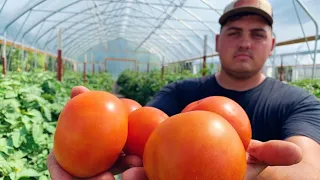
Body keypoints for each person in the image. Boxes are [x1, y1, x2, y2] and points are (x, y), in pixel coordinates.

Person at [47, 0, 320, 179]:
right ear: (217, 42)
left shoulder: (300, 102)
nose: (245, 42)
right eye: (234, 32)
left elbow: (307, 166)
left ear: (272, 44)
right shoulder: (180, 91)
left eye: (257, 34)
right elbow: (140, 125)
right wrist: (92, 129)